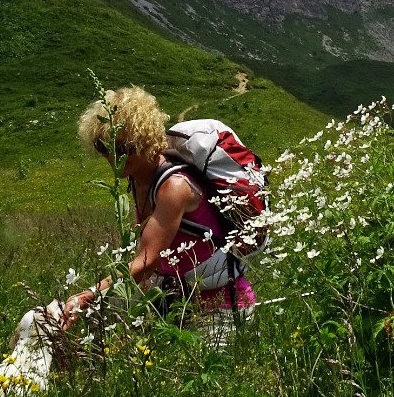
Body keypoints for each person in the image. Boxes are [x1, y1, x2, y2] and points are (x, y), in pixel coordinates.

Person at [62, 86, 256, 336]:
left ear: (144, 141)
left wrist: (89, 296)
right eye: (103, 147)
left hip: (222, 306)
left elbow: (147, 260)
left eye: (123, 148)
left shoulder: (174, 187)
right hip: (180, 300)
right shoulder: (138, 177)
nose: (112, 156)